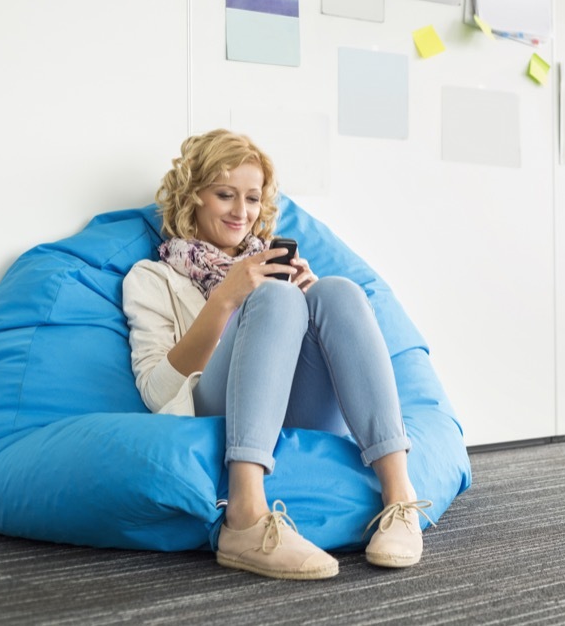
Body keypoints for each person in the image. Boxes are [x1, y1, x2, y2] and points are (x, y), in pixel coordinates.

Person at [122, 129, 431, 580]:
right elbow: (155, 391)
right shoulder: (152, 278)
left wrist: (308, 307)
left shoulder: (267, 264)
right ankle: (246, 515)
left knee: (335, 292)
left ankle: (401, 502)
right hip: (215, 409)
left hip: (293, 407)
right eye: (225, 195)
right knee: (276, 300)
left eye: (252, 198)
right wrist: (226, 299)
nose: (241, 212)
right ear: (193, 198)